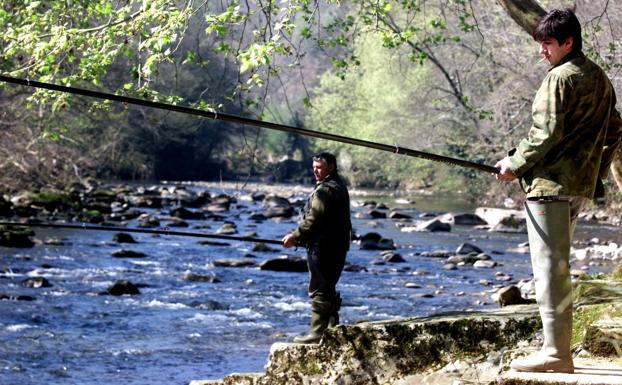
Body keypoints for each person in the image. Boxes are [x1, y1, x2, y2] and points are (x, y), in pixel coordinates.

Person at [495, 8, 622, 373]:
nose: (542, 51)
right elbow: (615, 129)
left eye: (548, 43)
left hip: (549, 187)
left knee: (549, 271)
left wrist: (513, 163)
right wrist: (594, 168)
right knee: (559, 267)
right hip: (577, 187)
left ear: (568, 42)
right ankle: (557, 351)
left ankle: (556, 355)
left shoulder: (558, 79)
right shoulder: (599, 77)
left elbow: (544, 134)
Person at [282, 152, 352, 344]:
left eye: (319, 167)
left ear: (331, 167)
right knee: (328, 286)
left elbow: (314, 219)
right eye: (313, 167)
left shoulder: (325, 191)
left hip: (323, 247)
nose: (315, 171)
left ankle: (317, 333)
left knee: (320, 287)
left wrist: (294, 237)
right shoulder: (339, 186)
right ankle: (332, 329)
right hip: (337, 246)